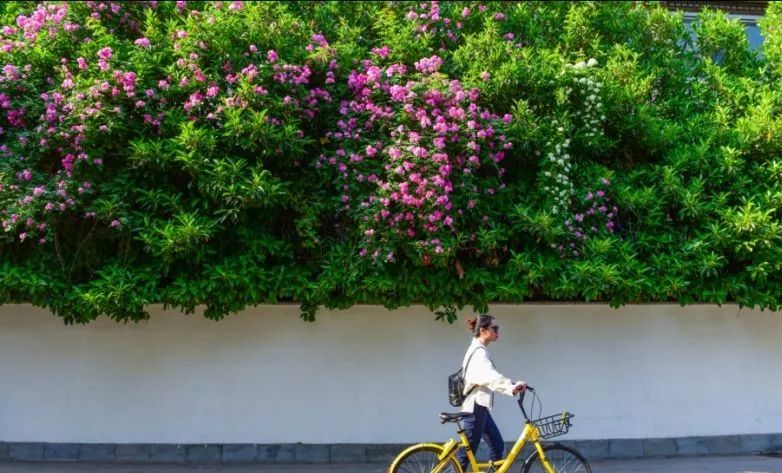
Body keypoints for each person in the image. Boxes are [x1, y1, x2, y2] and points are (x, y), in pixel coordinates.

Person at [457, 314, 527, 471]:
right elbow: (490, 377)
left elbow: (487, 377)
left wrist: (511, 384)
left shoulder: (479, 350)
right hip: (474, 409)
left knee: (497, 445)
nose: (497, 331)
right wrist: (510, 387)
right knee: (465, 455)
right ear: (483, 330)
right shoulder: (479, 353)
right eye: (494, 328)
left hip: (480, 406)